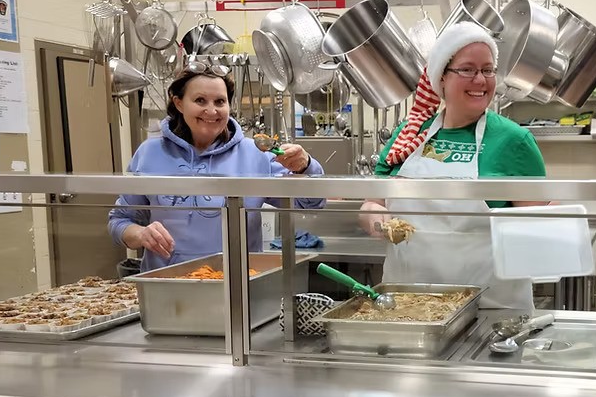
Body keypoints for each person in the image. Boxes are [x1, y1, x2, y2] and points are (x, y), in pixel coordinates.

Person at [359, 22, 547, 310]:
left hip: (489, 310)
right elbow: (373, 202)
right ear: (441, 77)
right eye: (468, 69)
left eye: (487, 69)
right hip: (412, 306)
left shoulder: (514, 140)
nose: (481, 80)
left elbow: (537, 228)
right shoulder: (409, 134)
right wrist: (377, 220)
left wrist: (549, 218)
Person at [108, 65, 325, 272]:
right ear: (179, 103)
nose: (211, 111)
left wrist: (305, 165)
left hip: (238, 288)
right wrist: (141, 234)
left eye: (220, 101)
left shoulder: (254, 154)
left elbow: (311, 204)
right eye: (200, 100)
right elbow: (119, 222)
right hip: (169, 287)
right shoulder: (150, 153)